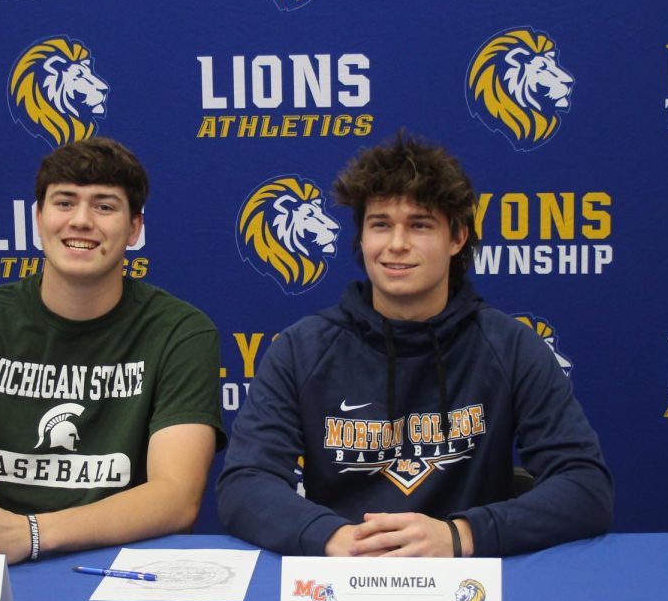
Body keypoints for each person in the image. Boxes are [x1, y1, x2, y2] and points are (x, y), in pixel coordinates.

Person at [217, 132, 613, 558]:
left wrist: (460, 535)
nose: (396, 244)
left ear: (458, 237)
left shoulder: (510, 346)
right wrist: (334, 538)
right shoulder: (301, 349)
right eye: (380, 224)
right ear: (363, 239)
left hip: (468, 591)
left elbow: (585, 487)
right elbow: (243, 485)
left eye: (419, 225)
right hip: (343, 586)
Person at [0, 137, 224, 563]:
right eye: (64, 203)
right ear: (38, 217)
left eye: (105, 206)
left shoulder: (180, 332)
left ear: (134, 228)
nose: (82, 221)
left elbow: (177, 497)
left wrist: (30, 534)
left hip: (112, 562)